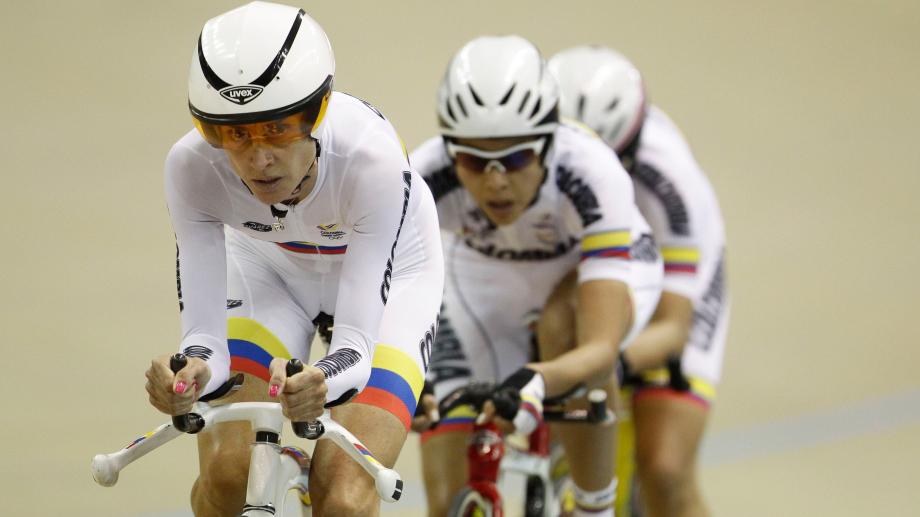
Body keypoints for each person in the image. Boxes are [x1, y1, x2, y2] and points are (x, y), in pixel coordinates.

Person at [142, 2, 444, 515]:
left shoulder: (370, 158)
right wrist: (188, 375)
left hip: (395, 277)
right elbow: (205, 343)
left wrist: (322, 380)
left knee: (344, 497)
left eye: (277, 129)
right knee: (227, 476)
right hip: (268, 270)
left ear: (317, 112)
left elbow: (354, 349)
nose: (258, 159)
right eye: (234, 134)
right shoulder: (191, 166)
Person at [410, 35, 663, 517]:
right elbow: (377, 288)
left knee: (565, 326)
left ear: (548, 143)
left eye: (516, 158)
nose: (496, 181)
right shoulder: (423, 175)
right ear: (451, 152)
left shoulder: (591, 170)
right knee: (446, 498)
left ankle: (594, 506)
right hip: (483, 277)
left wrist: (539, 378)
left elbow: (601, 347)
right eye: (474, 161)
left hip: (583, 271)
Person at [547, 46, 730, 517]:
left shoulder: (671, 182)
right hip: (597, 268)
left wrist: (606, 363)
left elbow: (673, 329)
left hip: (675, 285)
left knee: (665, 469)